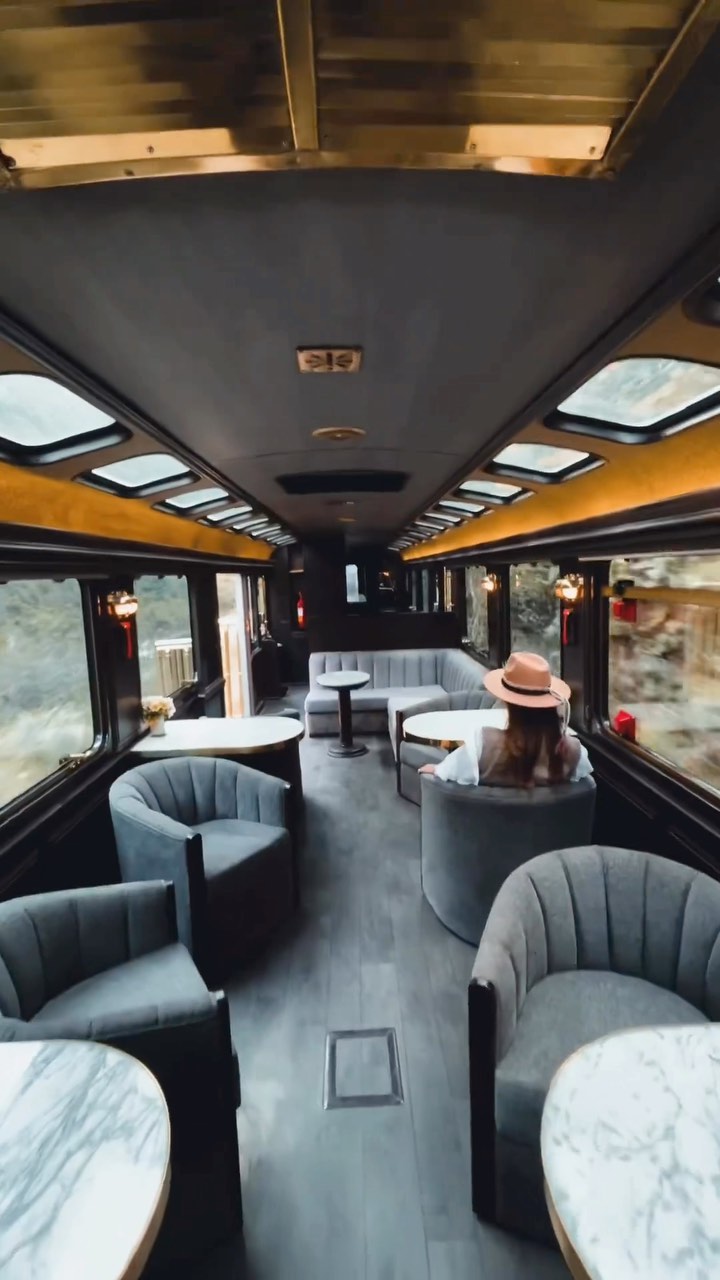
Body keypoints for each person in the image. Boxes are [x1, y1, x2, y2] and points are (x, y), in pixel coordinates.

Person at [418, 651, 592, 787]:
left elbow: (448, 772)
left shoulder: (481, 746)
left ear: (509, 703)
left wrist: (436, 770)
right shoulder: (575, 753)